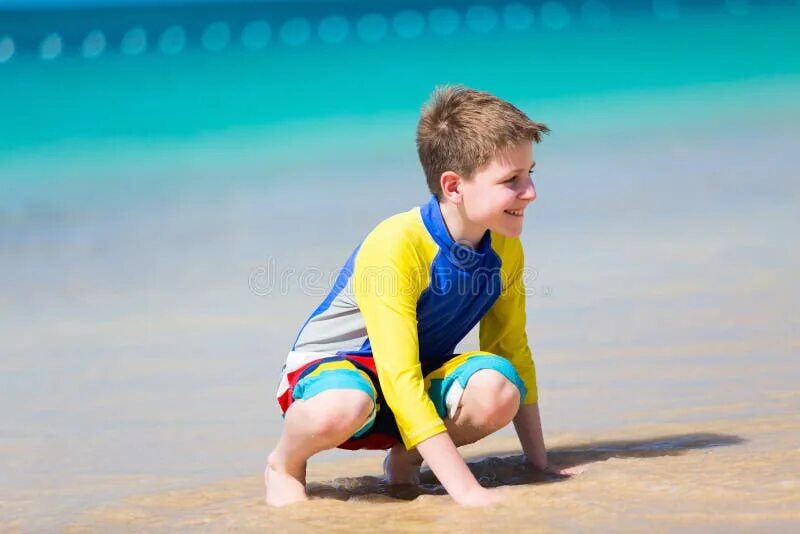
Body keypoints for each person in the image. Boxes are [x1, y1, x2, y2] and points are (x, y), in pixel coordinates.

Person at [267, 85, 562, 507]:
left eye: (531, 173)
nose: (530, 191)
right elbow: (398, 379)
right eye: (511, 180)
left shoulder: (503, 245)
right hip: (328, 380)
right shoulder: (396, 246)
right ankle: (284, 463)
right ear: (454, 186)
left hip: (414, 378)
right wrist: (467, 491)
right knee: (343, 405)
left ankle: (406, 462)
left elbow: (511, 348)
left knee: (499, 387)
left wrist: (540, 465)